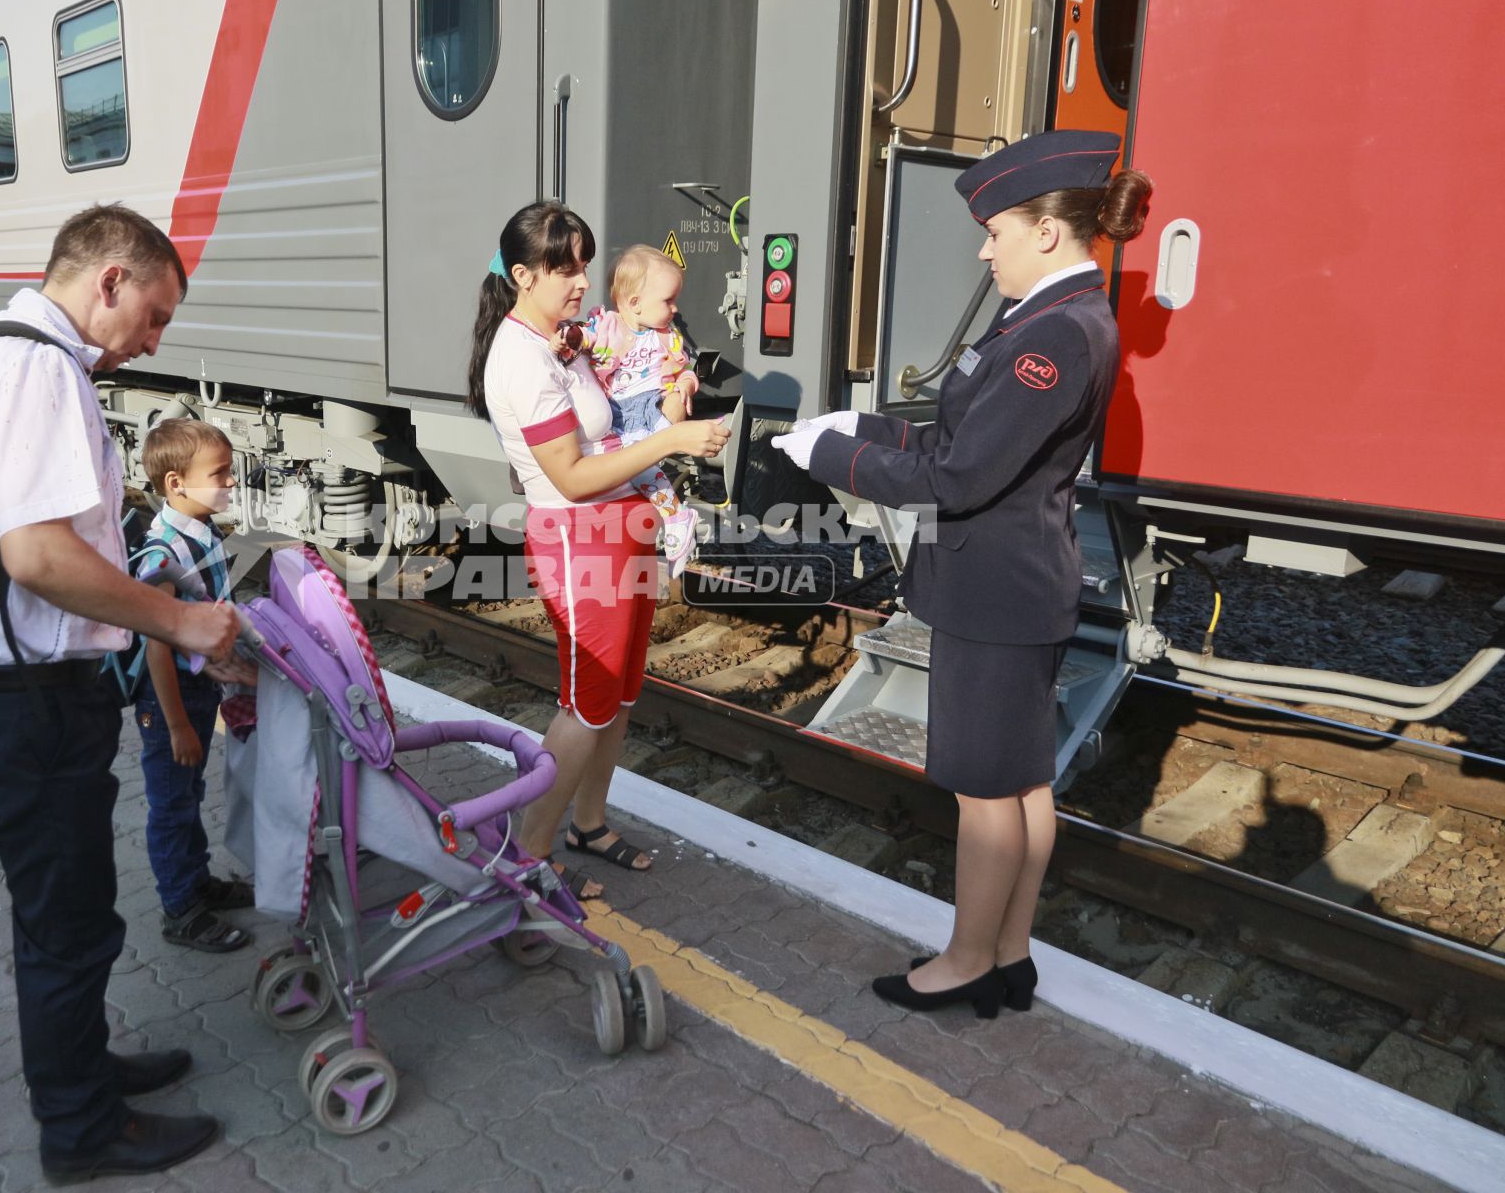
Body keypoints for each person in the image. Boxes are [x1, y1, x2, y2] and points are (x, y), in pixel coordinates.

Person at [772, 130, 1152, 1017]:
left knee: (986, 792)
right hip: (1020, 581)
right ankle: (1010, 954)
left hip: (995, 589)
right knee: (1024, 782)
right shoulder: (1052, 317)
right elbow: (961, 438)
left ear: (1047, 233)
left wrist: (834, 457)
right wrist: (862, 427)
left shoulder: (1051, 336)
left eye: (997, 231)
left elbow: (956, 480)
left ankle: (969, 962)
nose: (986, 249)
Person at [0, 203, 249, 1182]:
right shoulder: (36, 367)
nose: (152, 339)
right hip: (18, 702)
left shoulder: (6, 352)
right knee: (69, 922)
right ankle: (80, 1129)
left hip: (6, 695)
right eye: (153, 313)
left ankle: (83, 1067)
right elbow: (39, 557)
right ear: (109, 278)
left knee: (57, 912)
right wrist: (178, 619)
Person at [467, 202, 730, 897]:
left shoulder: (562, 340)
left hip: (622, 531)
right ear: (523, 275)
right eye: (565, 267)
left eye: (584, 262)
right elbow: (572, 477)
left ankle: (587, 822)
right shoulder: (522, 359)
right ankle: (530, 850)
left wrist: (672, 398)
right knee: (585, 703)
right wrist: (672, 442)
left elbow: (624, 408)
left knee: (617, 697)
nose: (583, 279)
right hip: (581, 539)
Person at [130, 417, 255, 953]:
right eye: (220, 473)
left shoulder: (199, 530)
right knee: (172, 803)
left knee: (190, 792)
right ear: (176, 483)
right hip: (168, 703)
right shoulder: (164, 553)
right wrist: (178, 724)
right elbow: (156, 641)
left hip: (194, 693)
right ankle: (180, 909)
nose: (231, 483)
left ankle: (197, 882)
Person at [572, 245, 702, 576]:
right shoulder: (610, 327)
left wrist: (686, 386)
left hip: (652, 408)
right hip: (620, 414)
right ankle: (676, 518)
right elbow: (585, 338)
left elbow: (684, 370)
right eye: (668, 301)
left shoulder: (665, 337)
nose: (675, 308)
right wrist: (568, 338)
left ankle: (675, 519)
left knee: (642, 468)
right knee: (636, 471)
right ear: (634, 303)